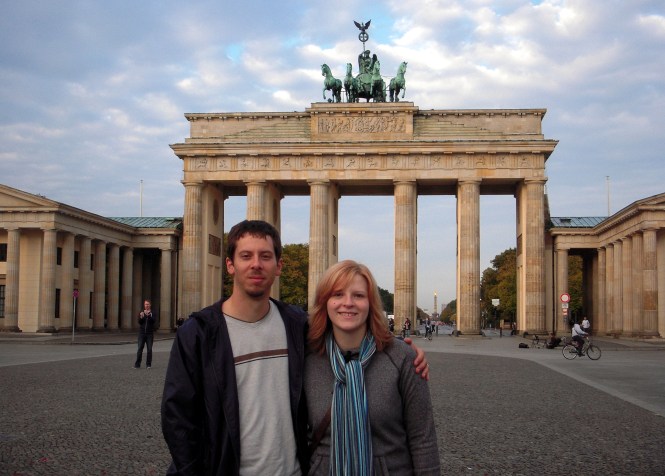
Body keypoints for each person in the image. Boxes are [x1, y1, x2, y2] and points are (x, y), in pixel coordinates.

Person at [160, 220, 429, 475]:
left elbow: (348, 329)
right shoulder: (199, 334)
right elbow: (178, 419)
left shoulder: (297, 326)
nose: (256, 264)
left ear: (279, 265)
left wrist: (402, 351)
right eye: (246, 256)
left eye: (265, 256)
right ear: (229, 264)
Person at [306, 260, 440, 475]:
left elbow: (422, 438)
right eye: (337, 294)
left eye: (358, 295)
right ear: (325, 301)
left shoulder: (402, 357)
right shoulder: (307, 358)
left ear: (370, 303)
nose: (348, 303)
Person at [134, 300, 156, 369]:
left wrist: (148, 316)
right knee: (140, 349)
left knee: (149, 349)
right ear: (144, 305)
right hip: (142, 333)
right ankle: (137, 364)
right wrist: (142, 317)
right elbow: (140, 322)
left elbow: (153, 321)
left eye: (148, 304)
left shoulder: (153, 313)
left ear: (150, 305)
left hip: (150, 334)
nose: (147, 305)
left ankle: (148, 364)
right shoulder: (141, 312)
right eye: (145, 304)